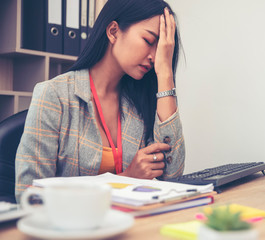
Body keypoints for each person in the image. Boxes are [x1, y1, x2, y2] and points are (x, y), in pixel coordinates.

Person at [15, 0, 185, 201]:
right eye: (149, 41)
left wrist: (165, 74)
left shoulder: (139, 102)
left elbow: (173, 176)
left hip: (130, 226)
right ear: (113, 31)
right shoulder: (54, 95)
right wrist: (126, 179)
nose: (155, 57)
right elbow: (29, 195)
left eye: (162, 49)